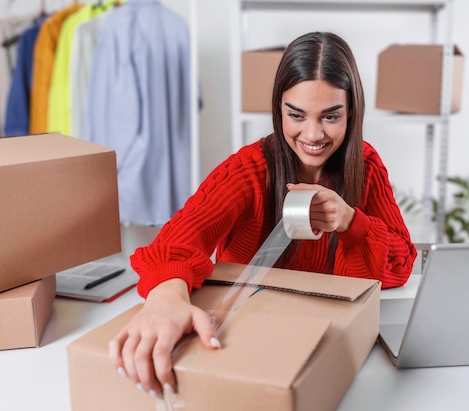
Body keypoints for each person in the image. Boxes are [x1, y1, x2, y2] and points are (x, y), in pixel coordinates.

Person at [109, 31, 417, 399]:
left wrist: (352, 222)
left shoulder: (365, 165)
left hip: (329, 344)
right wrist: (165, 302)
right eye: (296, 115)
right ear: (279, 109)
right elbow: (176, 241)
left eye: (331, 116)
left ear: (351, 111)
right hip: (248, 341)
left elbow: (401, 264)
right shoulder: (248, 170)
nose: (313, 134)